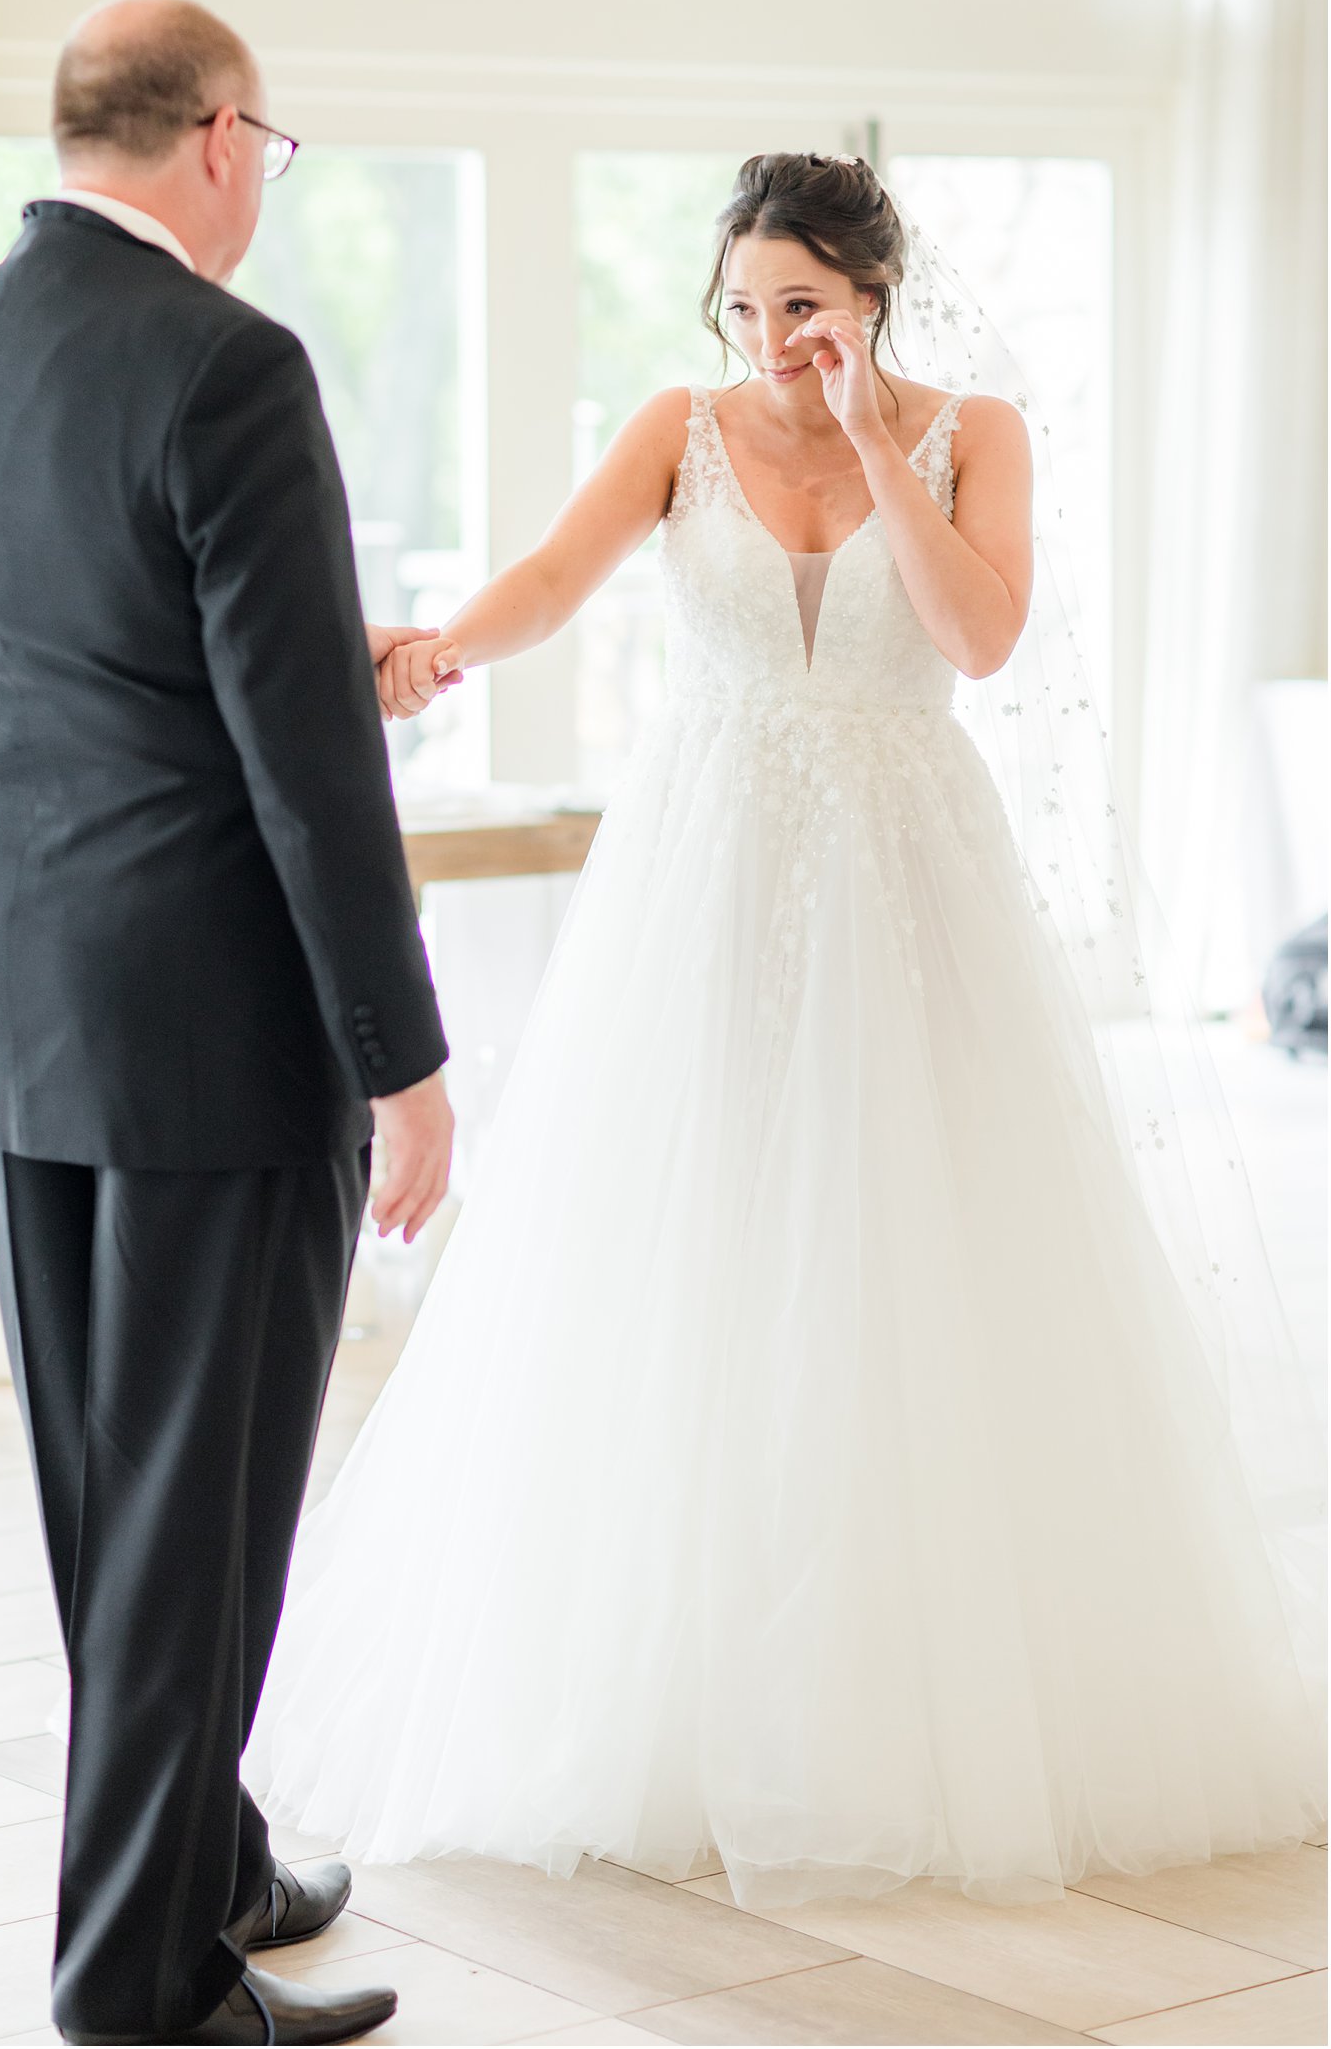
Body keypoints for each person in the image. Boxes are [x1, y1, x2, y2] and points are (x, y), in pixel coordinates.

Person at [245, 152, 1326, 1910]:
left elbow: (980, 635)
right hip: (714, 863)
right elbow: (550, 576)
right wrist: (442, 649)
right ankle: (670, 1678)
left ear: (874, 296)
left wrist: (880, 447)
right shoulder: (682, 425)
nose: (768, 342)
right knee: (699, 1243)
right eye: (743, 310)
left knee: (922, 1252)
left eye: (802, 308)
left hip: (912, 872)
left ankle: (927, 1686)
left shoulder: (978, 430)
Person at [0, 0, 454, 2046]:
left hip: (34, 986)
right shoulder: (231, 363)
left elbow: (71, 645)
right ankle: (140, 1978)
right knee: (201, 1502)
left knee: (106, 1487)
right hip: (217, 1020)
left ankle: (201, 1855)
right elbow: (299, 756)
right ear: (222, 137)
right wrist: (400, 1053)